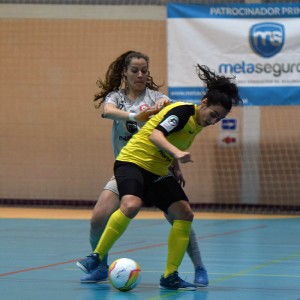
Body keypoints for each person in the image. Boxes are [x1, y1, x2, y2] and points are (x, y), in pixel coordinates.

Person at [80, 51, 209, 286]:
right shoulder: (117, 97)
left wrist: (176, 165)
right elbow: (107, 111)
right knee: (98, 218)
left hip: (158, 169)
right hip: (129, 168)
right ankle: (100, 265)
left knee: (181, 218)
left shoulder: (158, 98)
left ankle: (199, 267)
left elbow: (172, 133)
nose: (140, 75)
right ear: (125, 73)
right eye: (135, 70)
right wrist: (135, 115)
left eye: (144, 70)